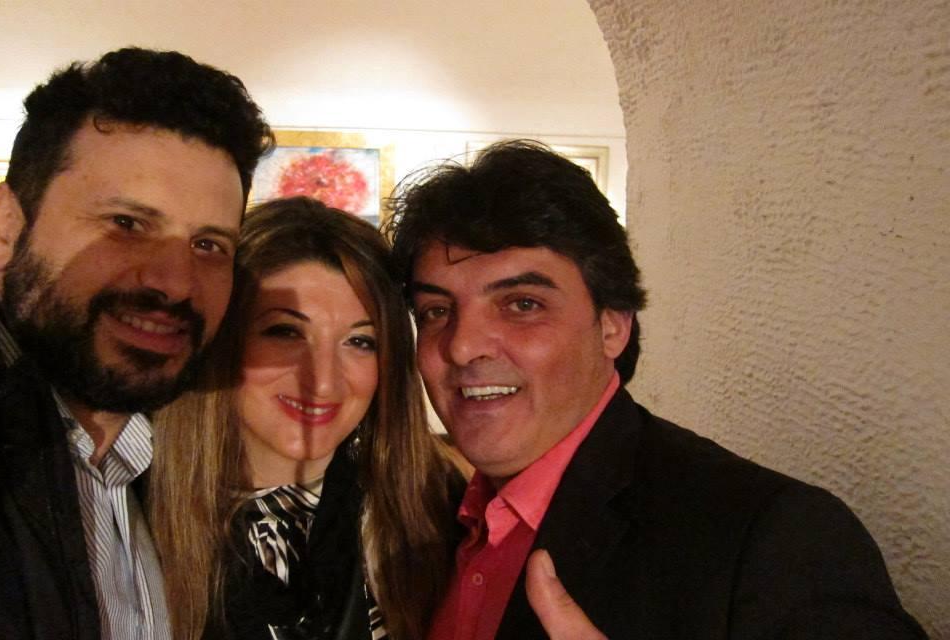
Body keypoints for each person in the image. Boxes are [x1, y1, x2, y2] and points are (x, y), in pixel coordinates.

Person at [384, 139, 928, 640]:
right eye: (436, 311)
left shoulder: (773, 537)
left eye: (523, 304)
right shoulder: (431, 520)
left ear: (612, 326)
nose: (462, 346)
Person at [0, 48, 273, 640]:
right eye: (127, 224)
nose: (175, 283)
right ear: (4, 229)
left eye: (208, 245)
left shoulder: (170, 466)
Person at [148, 197, 461, 640]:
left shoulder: (433, 505)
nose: (324, 382)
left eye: (360, 342)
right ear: (221, 340)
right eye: (286, 332)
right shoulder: (129, 509)